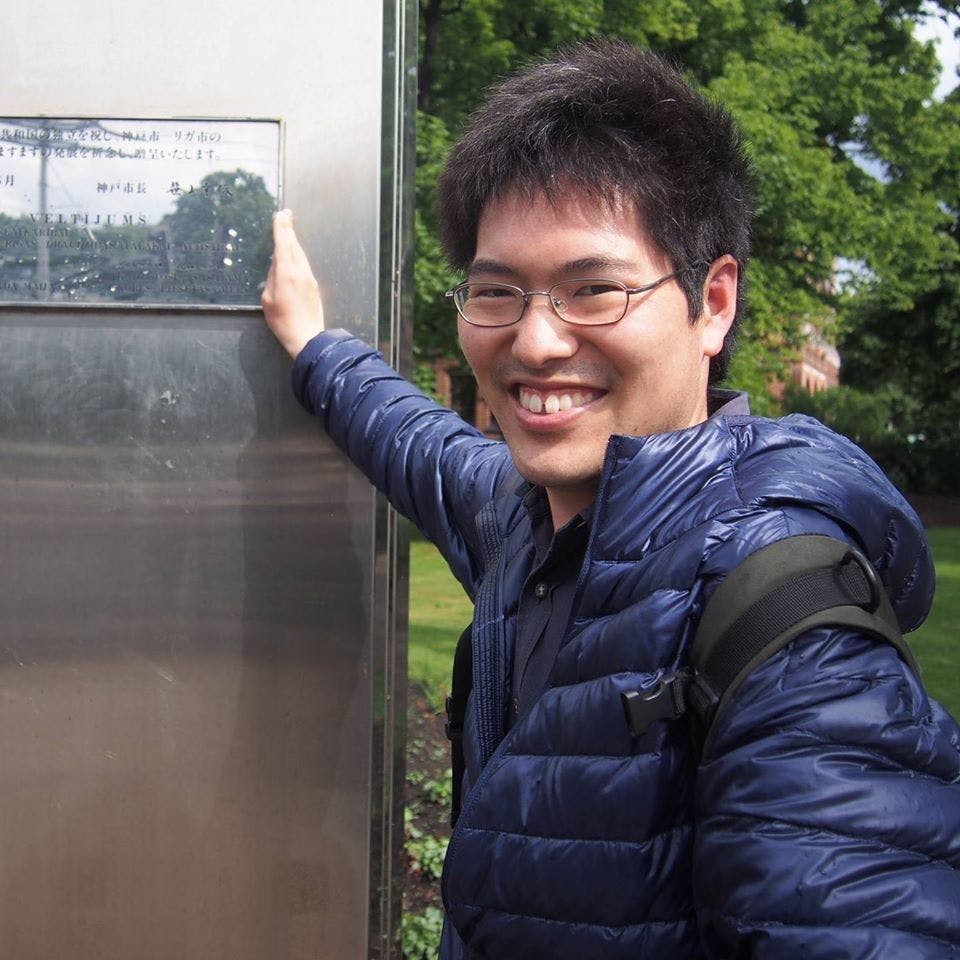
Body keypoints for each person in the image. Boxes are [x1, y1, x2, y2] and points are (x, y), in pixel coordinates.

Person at [262, 40, 960, 960]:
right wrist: (314, 344)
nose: (535, 343)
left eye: (593, 290)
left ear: (714, 303)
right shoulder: (526, 522)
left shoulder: (792, 627)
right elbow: (416, 440)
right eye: (497, 291)